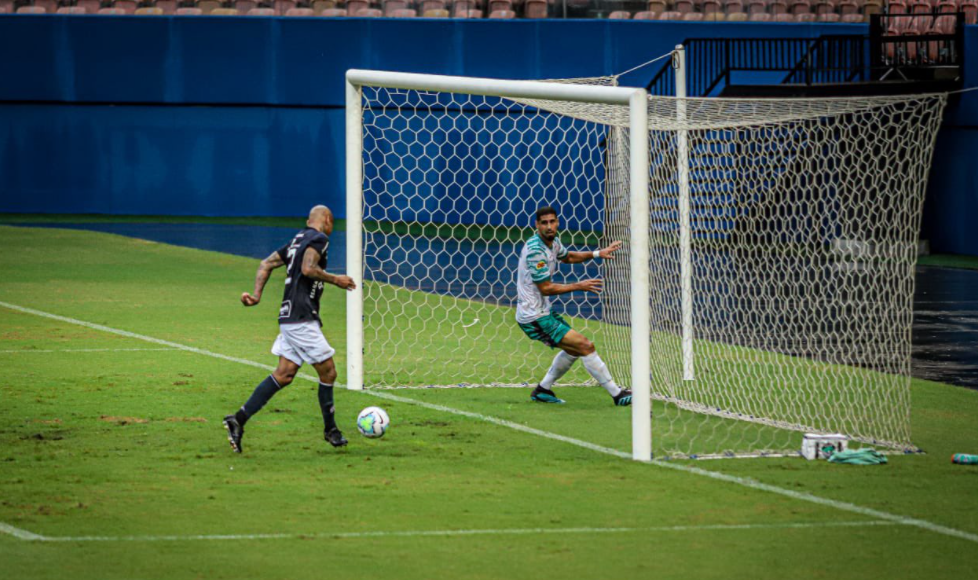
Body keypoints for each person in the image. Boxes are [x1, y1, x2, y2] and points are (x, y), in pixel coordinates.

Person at [222, 205, 356, 453]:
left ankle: (237, 420)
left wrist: (257, 295)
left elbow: (266, 263)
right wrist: (337, 279)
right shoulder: (319, 238)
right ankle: (331, 430)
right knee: (328, 373)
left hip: (288, 316)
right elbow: (308, 269)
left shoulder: (296, 241)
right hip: (301, 317)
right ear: (327, 220)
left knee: (284, 373)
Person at [517, 206, 631, 406]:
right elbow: (545, 288)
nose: (549, 226)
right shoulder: (536, 251)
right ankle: (618, 395)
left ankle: (543, 389)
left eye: (552, 222)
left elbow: (568, 257)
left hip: (543, 312)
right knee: (585, 346)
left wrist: (597, 253)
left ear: (558, 222)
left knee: (574, 349)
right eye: (544, 223)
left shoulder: (553, 243)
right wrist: (578, 285)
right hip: (534, 316)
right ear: (536, 225)